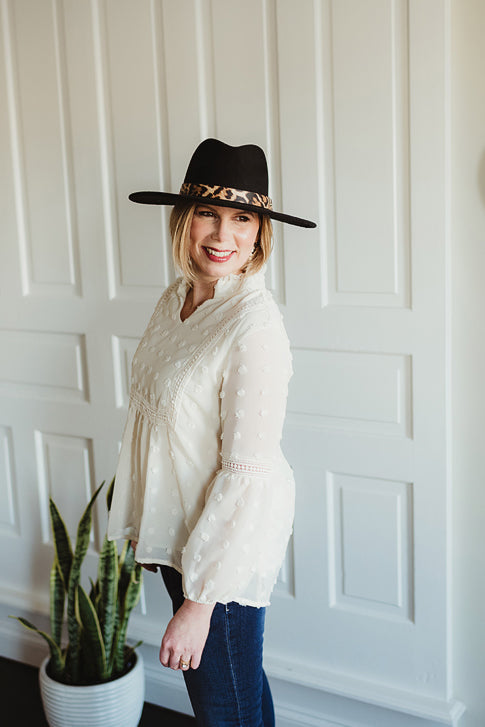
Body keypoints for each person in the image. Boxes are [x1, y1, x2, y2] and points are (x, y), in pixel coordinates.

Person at [108, 138, 316, 726]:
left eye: (242, 218)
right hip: (184, 539)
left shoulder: (254, 323)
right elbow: (158, 420)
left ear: (259, 232)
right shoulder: (177, 297)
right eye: (208, 213)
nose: (222, 236)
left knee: (225, 709)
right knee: (239, 690)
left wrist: (198, 603)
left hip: (220, 550)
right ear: (184, 218)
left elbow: (245, 472)